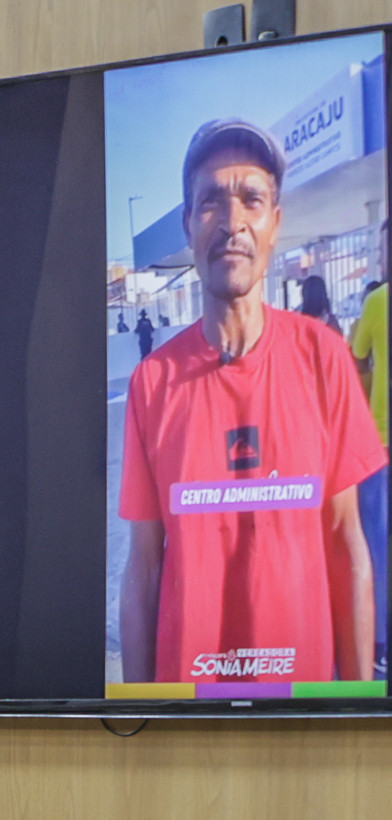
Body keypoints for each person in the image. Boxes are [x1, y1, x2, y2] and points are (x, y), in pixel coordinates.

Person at [119, 120, 382, 687]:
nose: (232, 221)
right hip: (189, 706)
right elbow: (143, 570)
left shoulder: (324, 358)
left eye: (251, 199)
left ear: (275, 224)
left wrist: (356, 703)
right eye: (211, 200)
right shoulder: (152, 383)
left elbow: (347, 546)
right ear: (189, 224)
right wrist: (140, 714)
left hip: (300, 704)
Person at [350, 274, 392, 675]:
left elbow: (358, 355)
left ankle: (381, 643)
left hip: (381, 441)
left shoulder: (378, 301)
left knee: (377, 548)